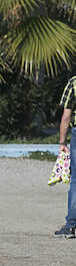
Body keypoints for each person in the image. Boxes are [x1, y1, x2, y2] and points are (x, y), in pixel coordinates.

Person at [54, 74, 76, 238]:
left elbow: (66, 116)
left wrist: (62, 142)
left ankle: (71, 225)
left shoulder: (73, 83)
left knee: (75, 180)